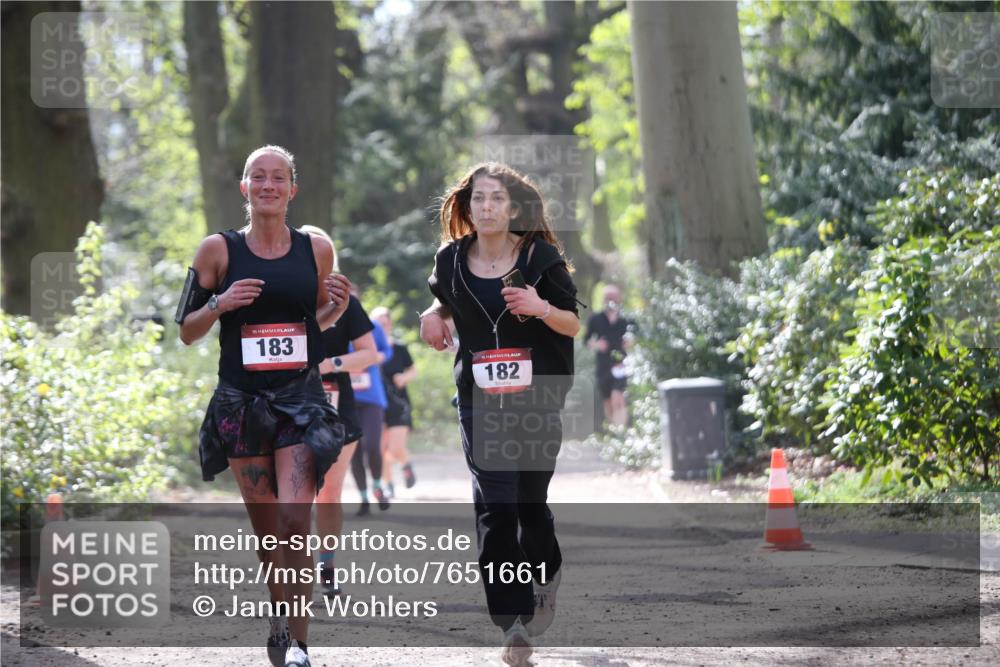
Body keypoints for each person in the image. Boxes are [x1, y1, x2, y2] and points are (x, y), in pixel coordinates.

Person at [178, 145, 351, 667]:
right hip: (241, 405)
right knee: (270, 531)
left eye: (279, 178)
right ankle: (279, 617)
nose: (269, 185)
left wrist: (334, 309)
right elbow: (186, 331)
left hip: (299, 403)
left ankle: (298, 643)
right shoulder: (218, 251)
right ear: (244, 188)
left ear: (293, 189)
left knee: (296, 525)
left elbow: (307, 328)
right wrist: (219, 303)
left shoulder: (316, 249)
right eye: (259, 177)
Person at [419, 162, 582, 667]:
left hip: (537, 398)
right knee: (496, 505)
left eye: (495, 199)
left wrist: (539, 307)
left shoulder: (538, 257)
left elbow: (573, 324)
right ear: (467, 208)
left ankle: (546, 570)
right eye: (478, 199)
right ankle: (512, 625)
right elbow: (451, 303)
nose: (486, 207)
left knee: (530, 505)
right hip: (479, 399)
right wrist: (433, 314)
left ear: (513, 208)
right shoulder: (450, 260)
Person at [299, 226, 379, 598]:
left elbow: (369, 353)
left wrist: (331, 363)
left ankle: (326, 565)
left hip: (337, 405)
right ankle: (293, 568)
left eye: (322, 253)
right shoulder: (284, 296)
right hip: (287, 402)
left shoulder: (345, 299)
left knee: (328, 492)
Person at [349, 295, 394, 514]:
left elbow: (387, 351)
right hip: (345, 397)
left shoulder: (372, 325)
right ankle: (363, 497)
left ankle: (377, 485)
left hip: (371, 397)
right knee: (353, 450)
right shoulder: (330, 323)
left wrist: (370, 359)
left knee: (372, 445)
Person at [371, 306, 417, 496]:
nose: (384, 325)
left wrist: (403, 378)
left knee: (395, 448)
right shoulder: (368, 349)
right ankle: (388, 484)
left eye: (386, 321)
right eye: (379, 323)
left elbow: (413, 370)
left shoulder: (399, 348)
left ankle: (405, 464)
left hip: (399, 403)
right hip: (376, 403)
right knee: (380, 448)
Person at [584, 284, 635, 428]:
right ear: (603, 300)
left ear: (620, 299)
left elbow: (638, 337)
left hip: (621, 365)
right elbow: (586, 340)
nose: (611, 300)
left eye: (613, 297)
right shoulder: (595, 319)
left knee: (617, 397)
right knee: (608, 402)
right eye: (608, 297)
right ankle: (615, 432)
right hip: (603, 366)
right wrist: (596, 344)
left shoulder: (627, 319)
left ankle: (622, 431)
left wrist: (631, 341)